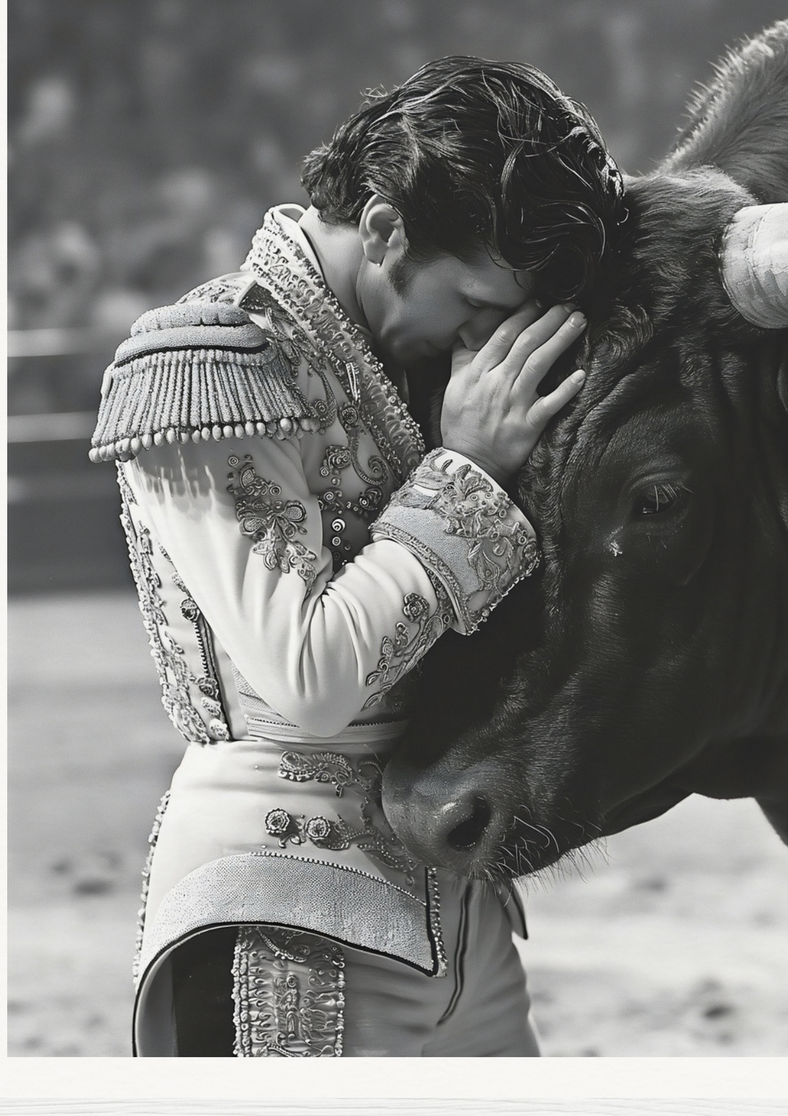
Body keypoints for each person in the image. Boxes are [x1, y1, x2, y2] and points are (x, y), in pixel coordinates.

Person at [91, 57, 628, 1056]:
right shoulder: (217, 360)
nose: (483, 336)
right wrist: (465, 468)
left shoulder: (403, 358)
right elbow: (311, 679)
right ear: (382, 229)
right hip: (283, 909)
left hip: (461, 911)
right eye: (471, 299)